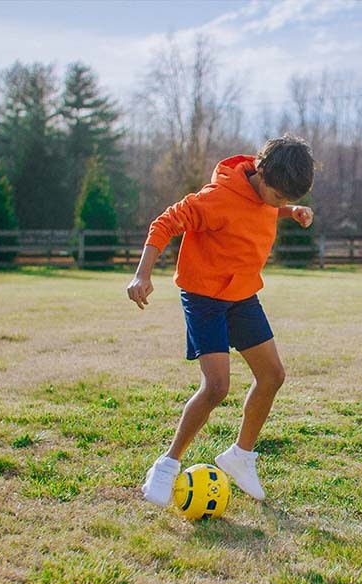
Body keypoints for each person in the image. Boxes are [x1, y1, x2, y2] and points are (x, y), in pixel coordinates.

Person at [126, 134, 315, 506]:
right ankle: (166, 464)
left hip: (242, 294)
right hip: (205, 298)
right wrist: (142, 274)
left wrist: (287, 212)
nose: (282, 203)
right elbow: (164, 223)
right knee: (216, 387)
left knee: (272, 375)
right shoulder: (215, 198)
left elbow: (259, 208)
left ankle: (240, 456)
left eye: (290, 199)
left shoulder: (267, 196)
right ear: (261, 173)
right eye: (280, 197)